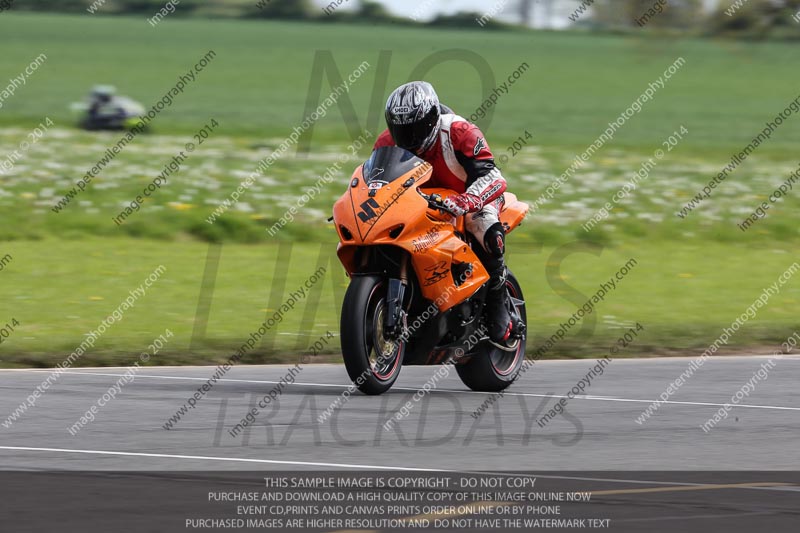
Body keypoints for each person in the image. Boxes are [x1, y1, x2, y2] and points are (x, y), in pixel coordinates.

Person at [374, 81, 520, 345]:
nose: (407, 138)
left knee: (486, 229)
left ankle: (499, 304)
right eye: (401, 129)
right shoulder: (386, 142)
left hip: (470, 196)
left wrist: (468, 200)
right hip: (420, 202)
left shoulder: (460, 131)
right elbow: (376, 183)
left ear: (431, 120)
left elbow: (492, 176)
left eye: (415, 129)